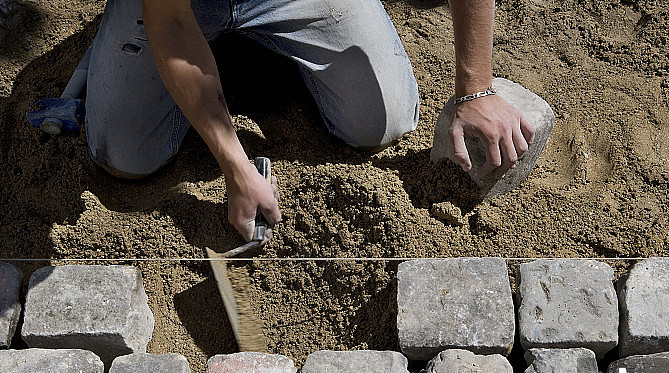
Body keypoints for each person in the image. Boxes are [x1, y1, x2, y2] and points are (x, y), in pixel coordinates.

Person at [85, 0, 535, 241]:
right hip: (178, 10)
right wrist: (237, 169)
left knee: (381, 124)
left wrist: (475, 88)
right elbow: (172, 25)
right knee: (124, 153)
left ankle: (260, 48)